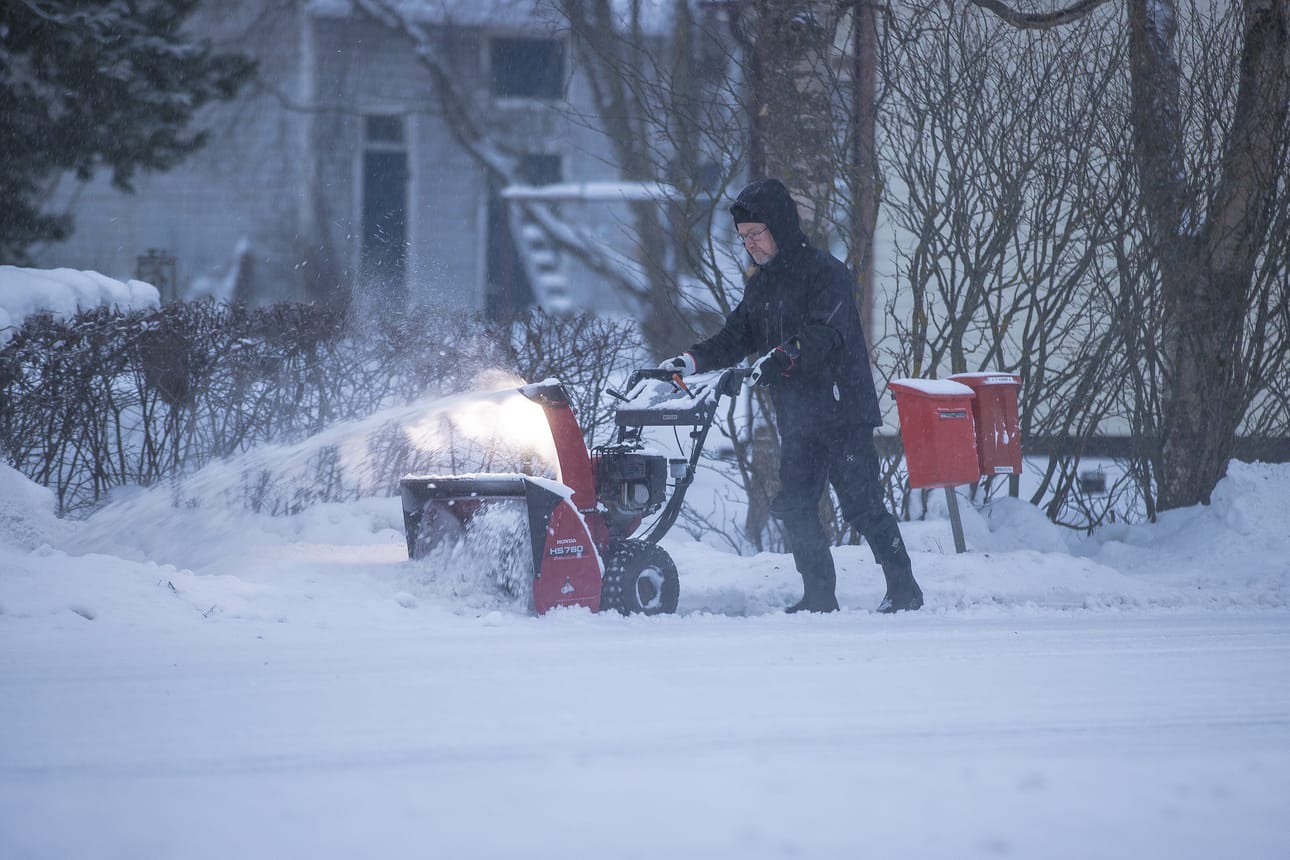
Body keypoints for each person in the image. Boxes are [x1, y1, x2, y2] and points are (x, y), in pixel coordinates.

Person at [660, 178, 923, 614]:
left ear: (779, 226)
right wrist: (690, 361)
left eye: (756, 234)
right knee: (796, 503)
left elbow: (826, 333)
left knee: (861, 505)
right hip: (799, 417)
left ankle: (904, 588)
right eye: (743, 238)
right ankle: (819, 595)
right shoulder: (761, 285)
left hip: (842, 411)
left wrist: (784, 356)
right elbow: (735, 337)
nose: (750, 245)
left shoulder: (827, 273)